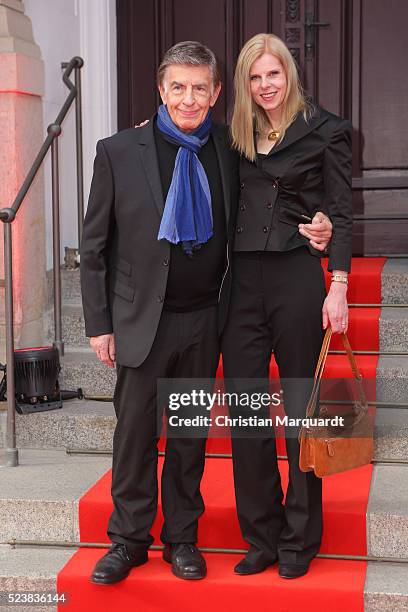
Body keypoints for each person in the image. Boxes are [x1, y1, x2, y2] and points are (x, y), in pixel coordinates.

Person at [80, 40, 332, 585]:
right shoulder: (118, 150)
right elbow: (94, 244)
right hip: (140, 320)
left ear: (217, 93)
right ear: (160, 88)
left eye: (200, 88)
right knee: (136, 436)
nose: (188, 99)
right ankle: (127, 540)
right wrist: (99, 323)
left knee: (191, 435)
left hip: (204, 320)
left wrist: (320, 224)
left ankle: (182, 540)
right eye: (178, 87)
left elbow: (283, 191)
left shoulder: (229, 147)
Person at [221, 33, 352, 580]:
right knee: (247, 408)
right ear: (245, 84)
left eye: (273, 74)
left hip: (298, 274)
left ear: (290, 75)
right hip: (241, 281)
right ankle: (262, 535)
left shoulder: (326, 130)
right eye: (255, 77)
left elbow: (341, 213)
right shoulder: (232, 134)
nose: (265, 86)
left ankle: (301, 538)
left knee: (301, 408)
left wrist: (339, 285)